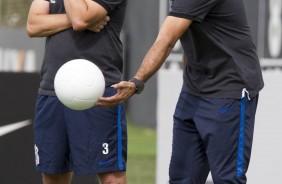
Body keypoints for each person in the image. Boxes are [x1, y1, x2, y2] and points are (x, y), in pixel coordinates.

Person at [96, 0, 264, 183]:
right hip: (194, 91)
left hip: (229, 91)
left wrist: (137, 82)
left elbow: (167, 39)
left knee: (227, 179)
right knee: (181, 178)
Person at [26, 0, 127, 183]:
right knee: (53, 173)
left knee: (111, 175)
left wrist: (76, 20)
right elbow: (33, 25)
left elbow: (81, 19)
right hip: (52, 88)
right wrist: (71, 19)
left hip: (98, 89)